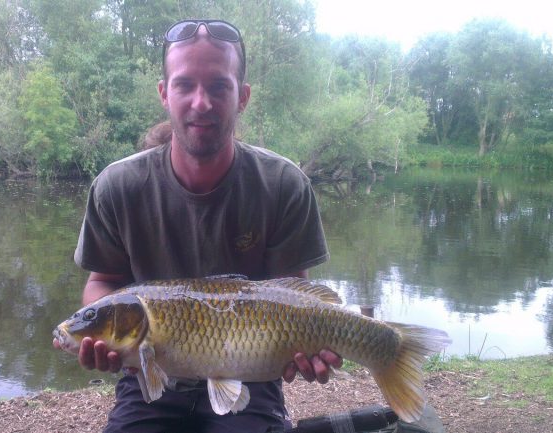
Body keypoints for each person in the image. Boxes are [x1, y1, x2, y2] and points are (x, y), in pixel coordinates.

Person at [54, 19, 342, 432]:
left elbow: (292, 292)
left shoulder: (283, 183)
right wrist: (98, 331)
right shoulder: (116, 187)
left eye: (219, 86)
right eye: (185, 84)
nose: (201, 102)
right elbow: (102, 283)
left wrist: (308, 349)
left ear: (242, 97)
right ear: (164, 94)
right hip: (148, 373)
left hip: (250, 373)